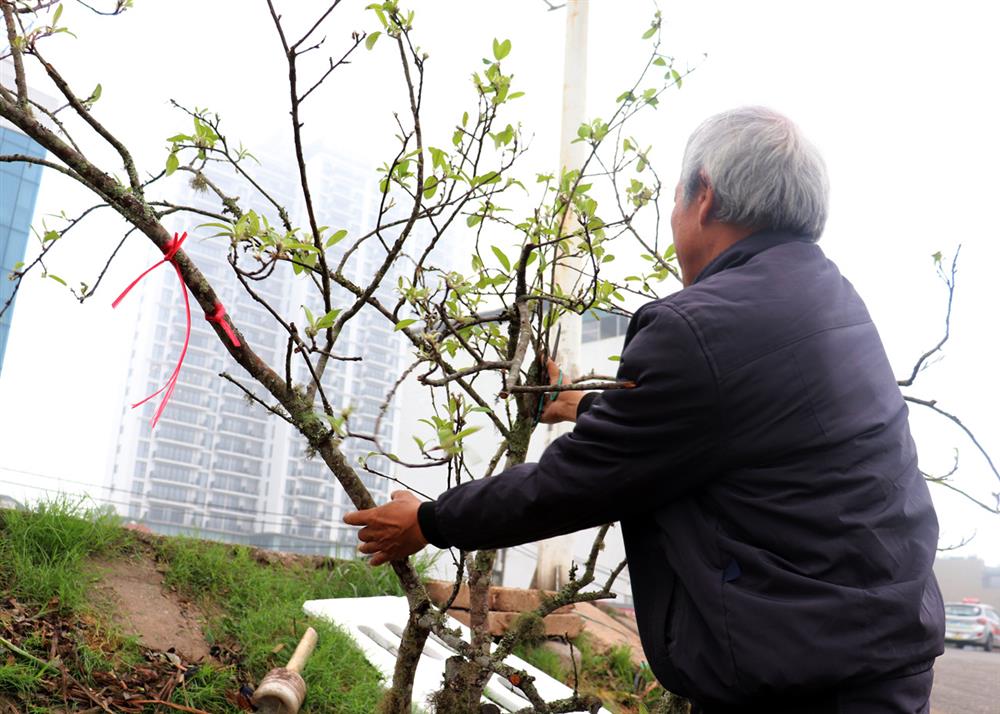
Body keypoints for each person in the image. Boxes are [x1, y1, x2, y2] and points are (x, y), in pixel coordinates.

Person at [344, 106, 945, 713]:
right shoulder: (830, 297)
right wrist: (580, 404)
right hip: (878, 662)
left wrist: (430, 521)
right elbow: (718, 425)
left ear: (703, 195)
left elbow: (577, 483)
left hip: (802, 685)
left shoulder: (698, 328)